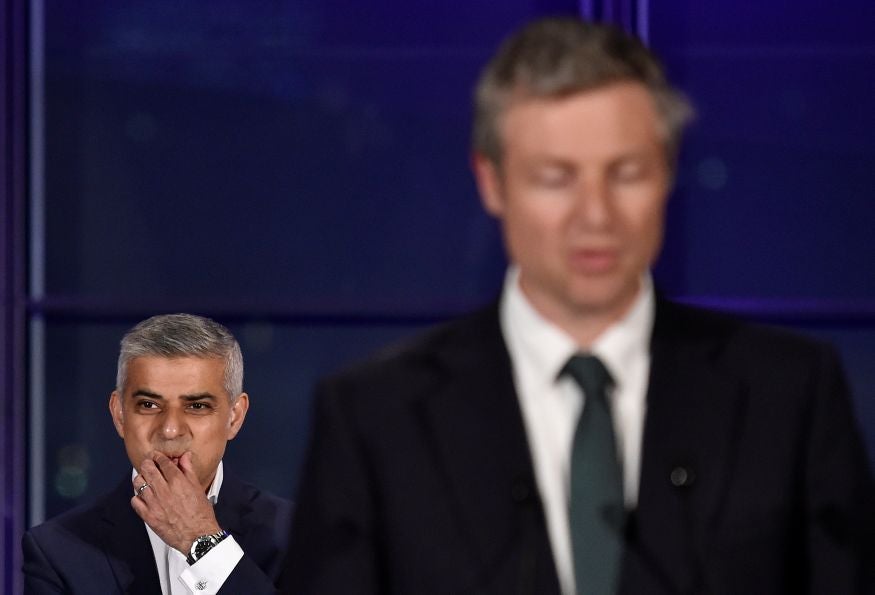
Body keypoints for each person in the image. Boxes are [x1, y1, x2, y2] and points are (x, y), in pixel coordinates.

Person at [281, 16, 874, 595]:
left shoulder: (790, 394)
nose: (596, 216)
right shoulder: (374, 417)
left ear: (667, 174)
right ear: (491, 182)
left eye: (628, 173)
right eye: (556, 178)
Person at [23, 313, 291, 594]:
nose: (170, 430)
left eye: (197, 406)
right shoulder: (56, 551)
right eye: (149, 405)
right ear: (119, 415)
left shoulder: (297, 536)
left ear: (234, 417)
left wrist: (203, 541)